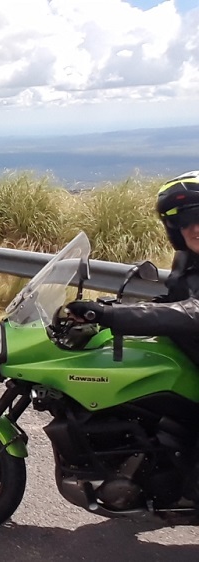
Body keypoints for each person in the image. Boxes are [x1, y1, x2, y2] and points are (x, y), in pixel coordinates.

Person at [66, 170, 199, 500]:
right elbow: (172, 303)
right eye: (185, 222)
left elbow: (191, 312)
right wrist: (114, 307)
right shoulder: (189, 259)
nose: (195, 228)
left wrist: (113, 315)